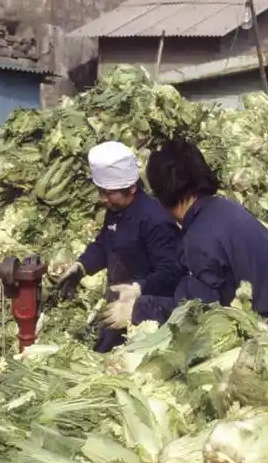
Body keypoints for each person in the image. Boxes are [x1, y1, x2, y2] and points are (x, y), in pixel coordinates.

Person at [102, 138, 268, 339]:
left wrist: (137, 311)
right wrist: (140, 288)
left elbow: (198, 311)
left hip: (261, 340)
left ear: (162, 195)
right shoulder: (228, 209)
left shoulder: (199, 238)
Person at [56, 142, 183, 353]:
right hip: (118, 306)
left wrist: (139, 288)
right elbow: (105, 243)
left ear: (131, 188)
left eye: (108, 193)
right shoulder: (116, 210)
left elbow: (172, 271)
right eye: (100, 191)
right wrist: (82, 266)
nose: (102, 199)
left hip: (147, 315)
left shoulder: (155, 220)